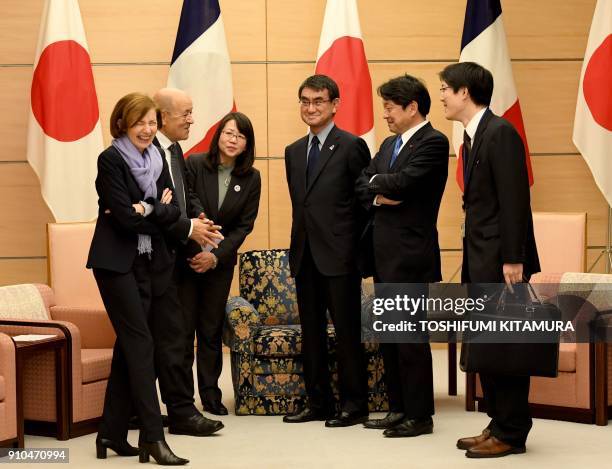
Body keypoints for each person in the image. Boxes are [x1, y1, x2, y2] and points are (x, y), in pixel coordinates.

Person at [439, 62, 540, 458]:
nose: (443, 96)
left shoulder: (501, 133)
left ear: (466, 92)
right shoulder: (472, 136)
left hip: (503, 263)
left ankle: (513, 432)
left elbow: (516, 200)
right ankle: (498, 421)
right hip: (482, 258)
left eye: (447, 88)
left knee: (507, 344)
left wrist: (513, 258)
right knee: (489, 343)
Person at [86, 92, 188, 465]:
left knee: (129, 349)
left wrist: (147, 206)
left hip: (148, 260)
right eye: (139, 123)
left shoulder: (157, 157)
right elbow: (125, 222)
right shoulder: (110, 159)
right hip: (115, 263)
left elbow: (173, 209)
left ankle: (110, 434)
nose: (147, 130)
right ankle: (152, 438)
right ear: (122, 125)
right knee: (141, 345)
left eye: (151, 123)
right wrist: (152, 208)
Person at [355, 74, 449, 437]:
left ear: (412, 107)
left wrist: (380, 183)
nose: (386, 115)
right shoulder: (391, 144)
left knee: (410, 339)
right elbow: (363, 182)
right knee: (391, 336)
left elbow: (407, 183)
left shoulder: (433, 142)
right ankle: (397, 408)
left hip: (410, 254)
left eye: (390, 108)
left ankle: (420, 415)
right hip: (382, 253)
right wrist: (379, 191)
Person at [283, 74, 370, 427]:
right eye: (305, 101)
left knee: (348, 334)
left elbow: (364, 205)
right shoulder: (292, 152)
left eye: (318, 101)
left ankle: (354, 405)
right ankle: (318, 402)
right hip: (305, 256)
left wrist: (356, 253)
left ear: (335, 105)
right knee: (312, 334)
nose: (311, 107)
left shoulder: (351, 146)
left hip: (340, 258)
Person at [149, 87, 225, 435]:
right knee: (167, 340)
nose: (193, 119)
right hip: (153, 262)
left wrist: (200, 220)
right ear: (162, 117)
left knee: (173, 338)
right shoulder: (145, 153)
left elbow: (184, 195)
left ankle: (173, 410)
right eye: (186, 114)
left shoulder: (175, 149)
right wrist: (189, 227)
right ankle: (176, 411)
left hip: (177, 259)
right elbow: (153, 210)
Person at [183, 111, 261, 415]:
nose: (233, 140)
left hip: (219, 263)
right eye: (229, 133)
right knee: (183, 330)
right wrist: (202, 233)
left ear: (246, 145)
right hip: (188, 259)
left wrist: (215, 255)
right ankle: (182, 398)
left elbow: (244, 225)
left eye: (241, 136)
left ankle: (210, 394)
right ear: (219, 135)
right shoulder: (194, 163)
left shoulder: (251, 177)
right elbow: (189, 200)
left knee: (210, 330)